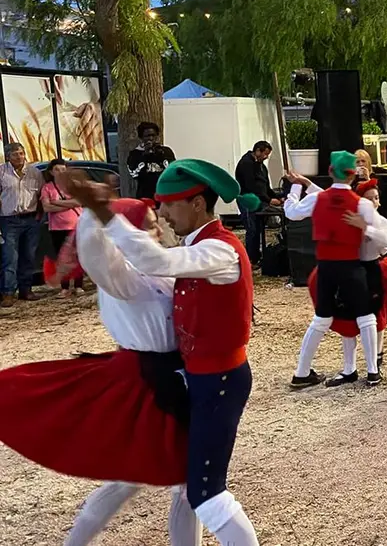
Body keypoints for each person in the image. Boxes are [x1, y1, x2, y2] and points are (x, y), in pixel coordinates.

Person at [69, 159, 263, 546]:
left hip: (215, 380)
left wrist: (104, 212)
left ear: (196, 203)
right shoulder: (197, 248)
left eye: (170, 206)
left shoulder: (218, 251)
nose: (164, 216)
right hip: (193, 379)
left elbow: (157, 260)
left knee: (206, 493)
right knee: (183, 484)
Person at [0, 197, 200, 546]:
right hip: (146, 384)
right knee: (162, 478)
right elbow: (97, 251)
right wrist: (97, 210)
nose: (158, 228)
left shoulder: (158, 266)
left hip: (171, 379)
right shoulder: (121, 274)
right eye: (149, 222)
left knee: (176, 480)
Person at [306, 178, 387, 385]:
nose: (373, 202)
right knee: (345, 317)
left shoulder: (381, 222)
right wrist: (307, 185)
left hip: (370, 270)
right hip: (346, 269)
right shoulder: (347, 217)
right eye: (368, 198)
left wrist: (366, 228)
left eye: (376, 198)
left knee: (372, 316)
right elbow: (328, 198)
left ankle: (374, 364)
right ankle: (349, 368)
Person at [284, 151, 382, 388]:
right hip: (352, 265)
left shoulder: (320, 199)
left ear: (330, 172)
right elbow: (381, 231)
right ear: (353, 175)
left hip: (326, 266)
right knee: (366, 315)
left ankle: (301, 372)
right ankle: (372, 371)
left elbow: (292, 212)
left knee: (321, 318)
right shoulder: (361, 204)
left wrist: (297, 186)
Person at [0, 142, 44, 306]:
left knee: (29, 256)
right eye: (15, 154)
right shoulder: (1, 172)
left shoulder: (35, 173)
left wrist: (39, 216)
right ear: (8, 156)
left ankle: (26, 291)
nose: (19, 157)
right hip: (8, 219)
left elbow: (41, 195)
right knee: (9, 257)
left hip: (31, 219)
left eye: (21, 153)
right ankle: (8, 293)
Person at [234, 140, 283, 270]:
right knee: (252, 229)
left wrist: (276, 196)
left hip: (258, 200)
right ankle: (250, 259)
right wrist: (268, 200)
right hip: (247, 200)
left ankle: (256, 256)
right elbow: (251, 187)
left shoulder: (261, 166)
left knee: (258, 228)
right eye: (265, 154)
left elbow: (265, 186)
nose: (266, 157)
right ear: (258, 151)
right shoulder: (246, 164)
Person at [41, 158, 85, 297]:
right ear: (51, 172)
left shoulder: (74, 185)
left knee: (78, 256)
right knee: (61, 258)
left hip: (76, 225)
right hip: (57, 228)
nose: (60, 172)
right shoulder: (47, 187)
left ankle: (79, 285)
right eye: (57, 170)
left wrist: (57, 203)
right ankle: (65, 287)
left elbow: (79, 201)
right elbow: (47, 207)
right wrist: (68, 203)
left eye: (63, 169)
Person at [126, 122, 176, 201]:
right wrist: (145, 156)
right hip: (145, 196)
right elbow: (134, 174)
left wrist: (160, 155)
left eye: (153, 135)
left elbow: (172, 171)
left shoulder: (166, 151)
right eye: (147, 136)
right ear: (141, 137)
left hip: (164, 194)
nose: (151, 138)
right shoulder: (135, 154)